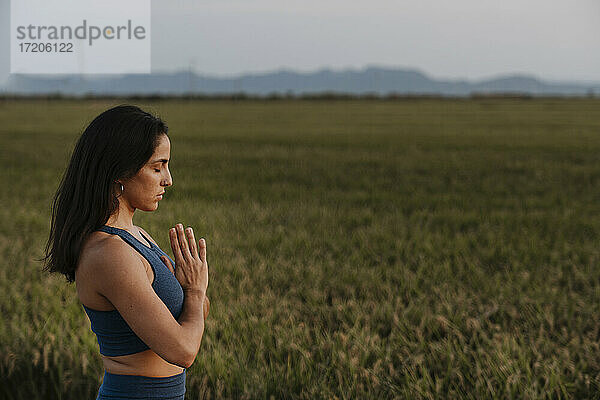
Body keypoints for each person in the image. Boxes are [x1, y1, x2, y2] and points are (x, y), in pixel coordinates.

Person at [42, 105, 210, 399]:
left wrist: (191, 290)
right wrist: (194, 293)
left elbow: (193, 318)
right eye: (157, 167)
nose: (168, 180)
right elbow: (183, 351)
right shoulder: (110, 254)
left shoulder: (137, 237)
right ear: (121, 171)